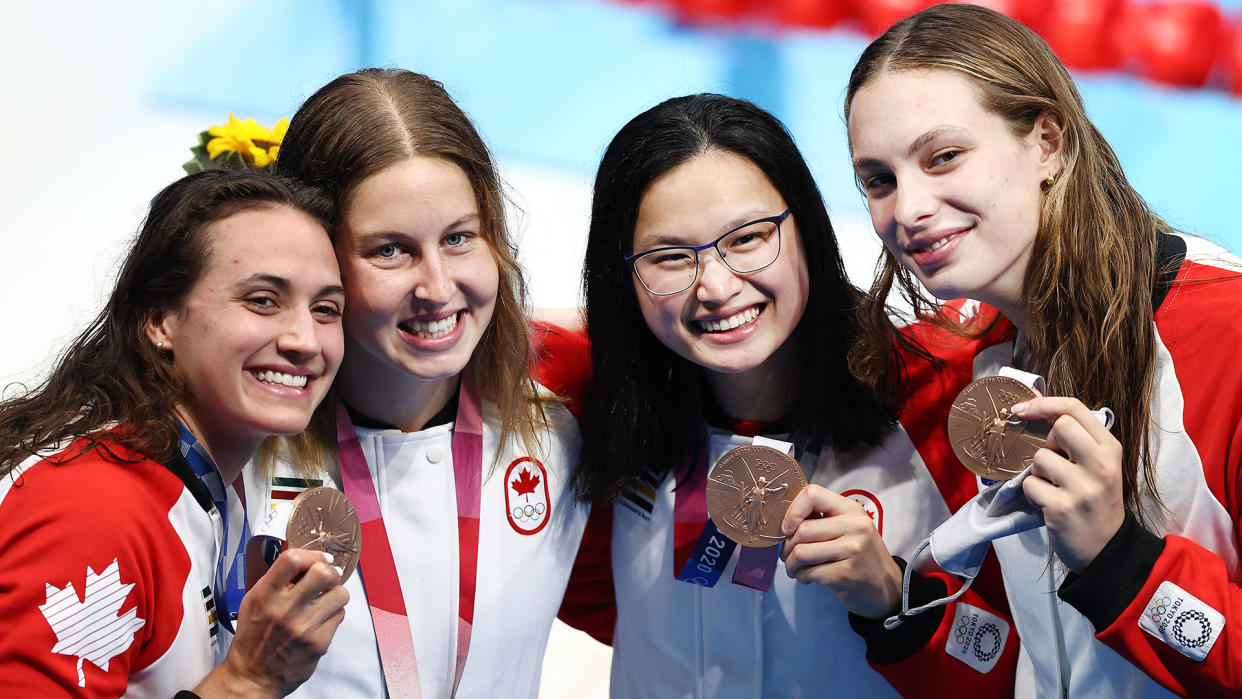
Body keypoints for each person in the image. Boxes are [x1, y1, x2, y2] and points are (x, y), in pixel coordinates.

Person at [844, 4, 1242, 696]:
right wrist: (896, 606)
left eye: (943, 157)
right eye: (879, 180)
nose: (906, 209)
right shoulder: (983, 360)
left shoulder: (1226, 335)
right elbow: (1029, 661)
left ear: (1047, 142)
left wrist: (1121, 560)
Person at [570, 93, 1019, 698]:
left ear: (806, 227)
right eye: (670, 257)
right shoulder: (604, 412)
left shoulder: (941, 402)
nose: (717, 288)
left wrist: (893, 596)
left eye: (749, 238)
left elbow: (1021, 666)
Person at [239, 68, 591, 698]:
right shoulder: (235, 447)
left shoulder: (558, 416)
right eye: (390, 251)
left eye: (459, 238)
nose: (436, 288)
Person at [0, 170, 350, 697]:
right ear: (160, 320)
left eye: (326, 310)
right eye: (261, 300)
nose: (305, 340)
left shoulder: (208, 489)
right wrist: (247, 682)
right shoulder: (92, 507)